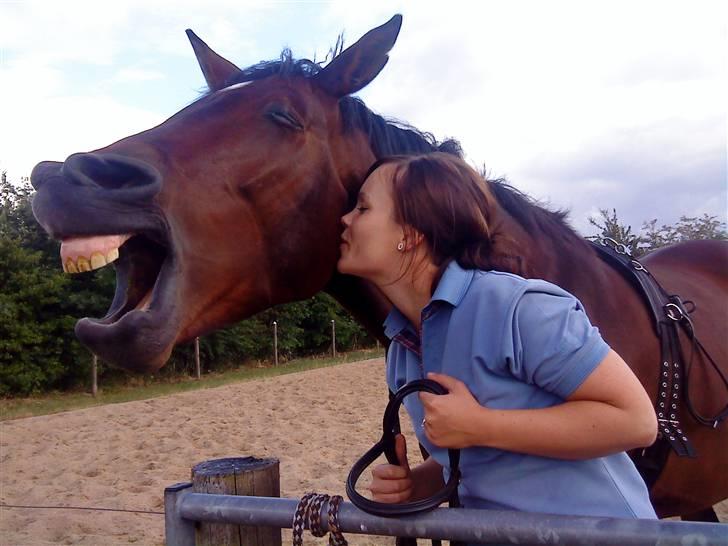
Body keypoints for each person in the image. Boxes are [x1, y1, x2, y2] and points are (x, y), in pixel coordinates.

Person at [338, 152, 657, 519]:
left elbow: (636, 420)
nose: (345, 219)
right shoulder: (401, 348)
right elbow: (476, 459)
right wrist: (419, 483)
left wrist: (479, 425)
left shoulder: (518, 308)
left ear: (409, 235)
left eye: (363, 208)